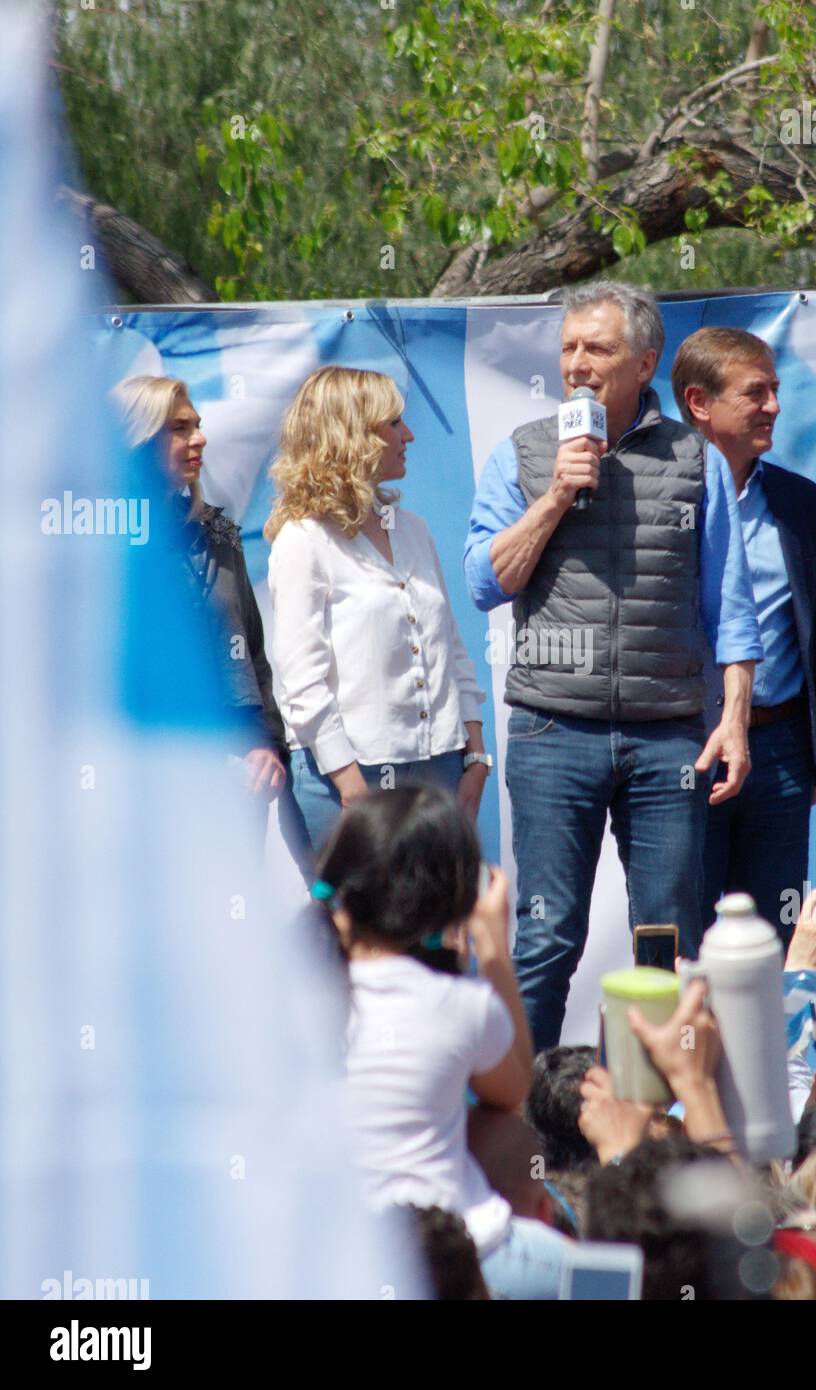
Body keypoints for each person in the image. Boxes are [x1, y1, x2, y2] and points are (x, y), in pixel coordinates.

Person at [465, 281, 762, 1050]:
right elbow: (483, 582)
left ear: (645, 362)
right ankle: (523, 1124)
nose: (576, 364)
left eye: (597, 349)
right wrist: (558, 494)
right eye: (567, 348)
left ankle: (661, 1123)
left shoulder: (696, 461)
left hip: (668, 739)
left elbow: (730, 609)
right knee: (548, 938)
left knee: (666, 942)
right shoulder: (524, 454)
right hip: (552, 732)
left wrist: (733, 721)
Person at [316, 782, 573, 1299]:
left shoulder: (294, 1001)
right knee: (603, 1282)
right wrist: (493, 947)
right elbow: (510, 1091)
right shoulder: (458, 1006)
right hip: (470, 1252)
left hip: (333, 1261)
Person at [266, 366, 489, 855]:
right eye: (393, 424)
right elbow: (302, 683)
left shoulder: (413, 529)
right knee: (358, 929)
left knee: (437, 927)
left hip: (441, 766)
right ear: (351, 435)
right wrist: (352, 789)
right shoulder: (303, 541)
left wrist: (476, 756)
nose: (407, 435)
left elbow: (452, 649)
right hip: (348, 774)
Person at [671, 327, 816, 943]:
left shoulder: (800, 502)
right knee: (681, 942)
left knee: (772, 945)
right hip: (686, 750)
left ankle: (768, 1047)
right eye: (755, 393)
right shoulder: (658, 496)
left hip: (780, 757)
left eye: (775, 390)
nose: (773, 405)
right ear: (699, 403)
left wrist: (809, 749)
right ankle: (683, 1046)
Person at [112, 375, 293, 834]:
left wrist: (266, 746)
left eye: (197, 424)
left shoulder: (217, 530)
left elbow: (250, 651)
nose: (200, 437)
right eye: (179, 427)